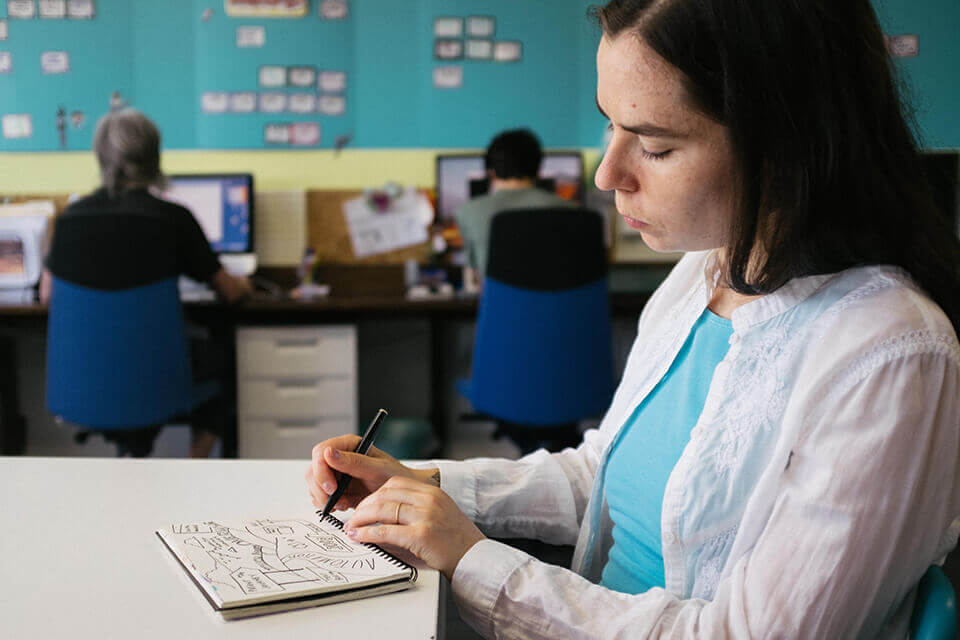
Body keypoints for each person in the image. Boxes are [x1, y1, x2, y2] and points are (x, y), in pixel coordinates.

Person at [306, 0, 960, 637]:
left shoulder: (891, 355)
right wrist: (424, 485)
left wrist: (472, 556)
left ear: (787, 146)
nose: (605, 173)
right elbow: (605, 477)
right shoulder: (701, 271)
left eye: (654, 145)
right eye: (610, 126)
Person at [42, 108, 252, 458]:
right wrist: (246, 285)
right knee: (225, 366)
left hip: (86, 385)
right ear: (154, 157)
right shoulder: (173, 220)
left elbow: (48, 294)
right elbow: (228, 291)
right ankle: (195, 465)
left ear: (100, 157)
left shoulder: (69, 219)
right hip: (156, 383)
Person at [454, 128, 571, 290]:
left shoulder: (468, 212)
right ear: (538, 169)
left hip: (501, 312)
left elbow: (474, 276)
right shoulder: (572, 211)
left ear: (491, 172)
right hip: (563, 312)